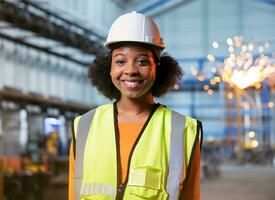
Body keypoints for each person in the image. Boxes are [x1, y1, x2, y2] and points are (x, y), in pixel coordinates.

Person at [68, 11, 202, 200]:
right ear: (110, 69)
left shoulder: (183, 130)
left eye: (142, 61)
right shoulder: (84, 126)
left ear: (158, 68)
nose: (130, 70)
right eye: (120, 61)